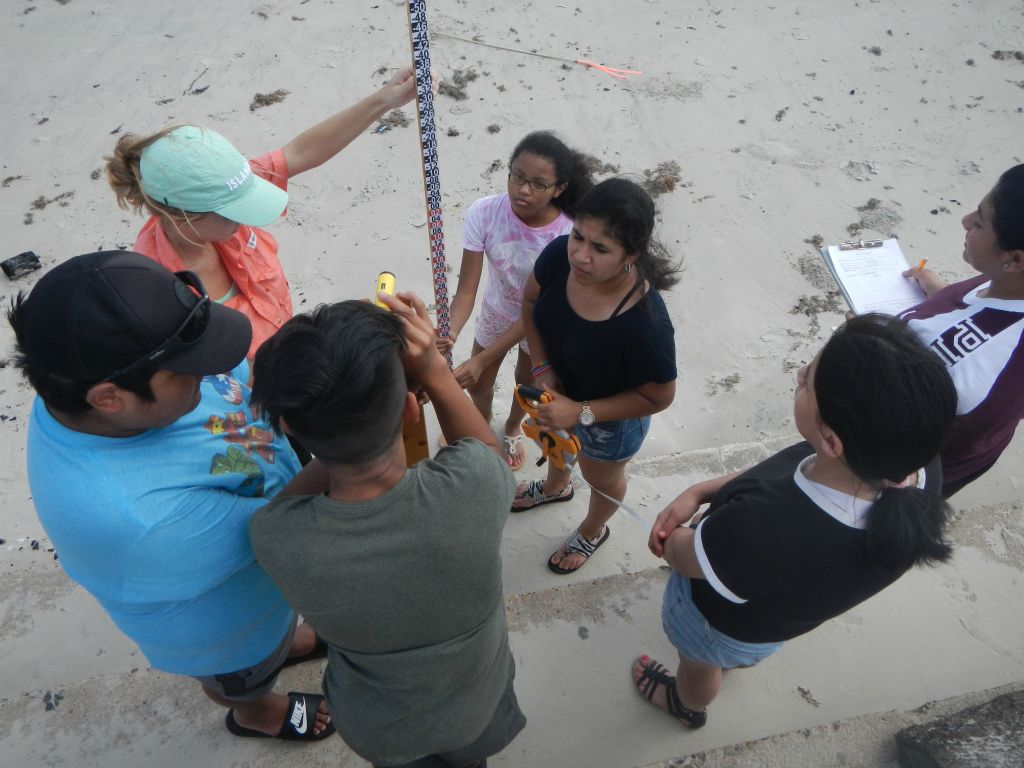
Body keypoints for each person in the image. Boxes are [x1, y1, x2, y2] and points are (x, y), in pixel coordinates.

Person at [7, 250, 335, 742]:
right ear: (109, 397)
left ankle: (285, 641)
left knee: (277, 635)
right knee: (242, 678)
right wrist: (351, 449)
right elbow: (277, 527)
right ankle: (257, 715)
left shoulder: (90, 377)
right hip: (225, 628)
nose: (211, 374)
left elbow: (238, 382)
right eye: (189, 370)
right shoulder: (137, 517)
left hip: (257, 588)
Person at [637, 313, 956, 729]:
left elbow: (680, 555)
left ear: (831, 440)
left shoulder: (760, 528)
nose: (799, 373)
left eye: (808, 380)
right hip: (773, 620)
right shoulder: (915, 467)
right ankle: (731, 662)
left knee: (698, 664)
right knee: (735, 654)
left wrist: (673, 535)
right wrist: (701, 491)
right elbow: (778, 472)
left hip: (714, 622)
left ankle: (687, 704)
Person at [247, 293, 525, 768]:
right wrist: (435, 373)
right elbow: (484, 450)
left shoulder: (277, 537)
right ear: (411, 411)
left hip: (378, 728)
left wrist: (331, 438)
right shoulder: (474, 490)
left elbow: (287, 504)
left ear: (291, 425)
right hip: (478, 706)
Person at [105, 66, 422, 361]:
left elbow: (300, 152)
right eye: (232, 213)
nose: (243, 218)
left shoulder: (222, 187)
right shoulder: (154, 296)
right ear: (181, 216)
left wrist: (385, 99)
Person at [513, 177, 679, 574]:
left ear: (631, 255)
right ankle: (555, 488)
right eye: (578, 237)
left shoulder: (644, 325)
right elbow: (531, 301)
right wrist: (542, 367)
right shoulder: (559, 256)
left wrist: (582, 411)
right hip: (555, 394)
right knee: (555, 446)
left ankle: (592, 530)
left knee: (601, 477)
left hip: (609, 423)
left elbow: (659, 397)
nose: (580, 256)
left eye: (600, 248)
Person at [443, 131, 594, 469]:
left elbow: (537, 310)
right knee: (478, 386)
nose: (523, 190)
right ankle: (478, 431)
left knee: (525, 386)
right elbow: (466, 290)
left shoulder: (568, 236)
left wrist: (483, 360)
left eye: (539, 184)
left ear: (560, 189)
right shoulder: (483, 213)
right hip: (497, 311)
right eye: (518, 177)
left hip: (541, 325)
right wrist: (450, 332)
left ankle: (511, 429)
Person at [900, 164, 1024, 497]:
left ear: (1014, 259)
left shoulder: (980, 378)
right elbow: (986, 314)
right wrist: (941, 293)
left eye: (980, 222)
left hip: (899, 470)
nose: (965, 221)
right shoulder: (1007, 282)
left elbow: (895, 441)